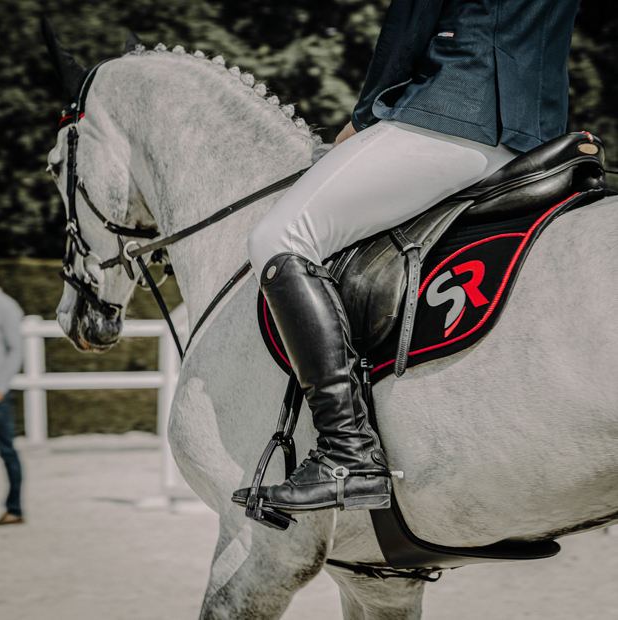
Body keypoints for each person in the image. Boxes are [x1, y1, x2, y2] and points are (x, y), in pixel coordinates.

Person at [233, 0, 583, 514]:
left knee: (281, 238)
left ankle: (346, 454)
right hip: (536, 132)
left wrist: (364, 115)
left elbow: (410, 21)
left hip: (453, 111)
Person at [0, 275, 24, 525]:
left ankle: (14, 508)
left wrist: (1, 387)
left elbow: (16, 348)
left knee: (7, 452)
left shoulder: (4, 305)